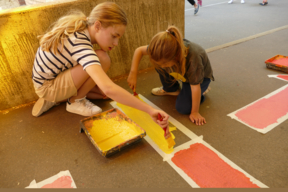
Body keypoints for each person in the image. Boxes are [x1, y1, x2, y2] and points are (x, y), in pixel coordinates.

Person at [31, 2, 169, 129]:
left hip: (51, 78)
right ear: (97, 26)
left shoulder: (82, 27)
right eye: (114, 36)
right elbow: (109, 88)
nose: (116, 43)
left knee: (103, 91)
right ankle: (74, 101)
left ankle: (60, 98)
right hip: (48, 87)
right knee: (103, 59)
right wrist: (150, 110)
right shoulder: (81, 45)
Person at [127, 26, 214, 126]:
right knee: (160, 66)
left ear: (176, 56)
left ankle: (203, 90)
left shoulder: (193, 57)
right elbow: (139, 50)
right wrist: (133, 73)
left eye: (165, 63)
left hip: (198, 79)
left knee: (182, 108)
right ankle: (171, 89)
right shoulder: (161, 50)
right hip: (182, 74)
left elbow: (194, 87)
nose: (162, 66)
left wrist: (195, 112)